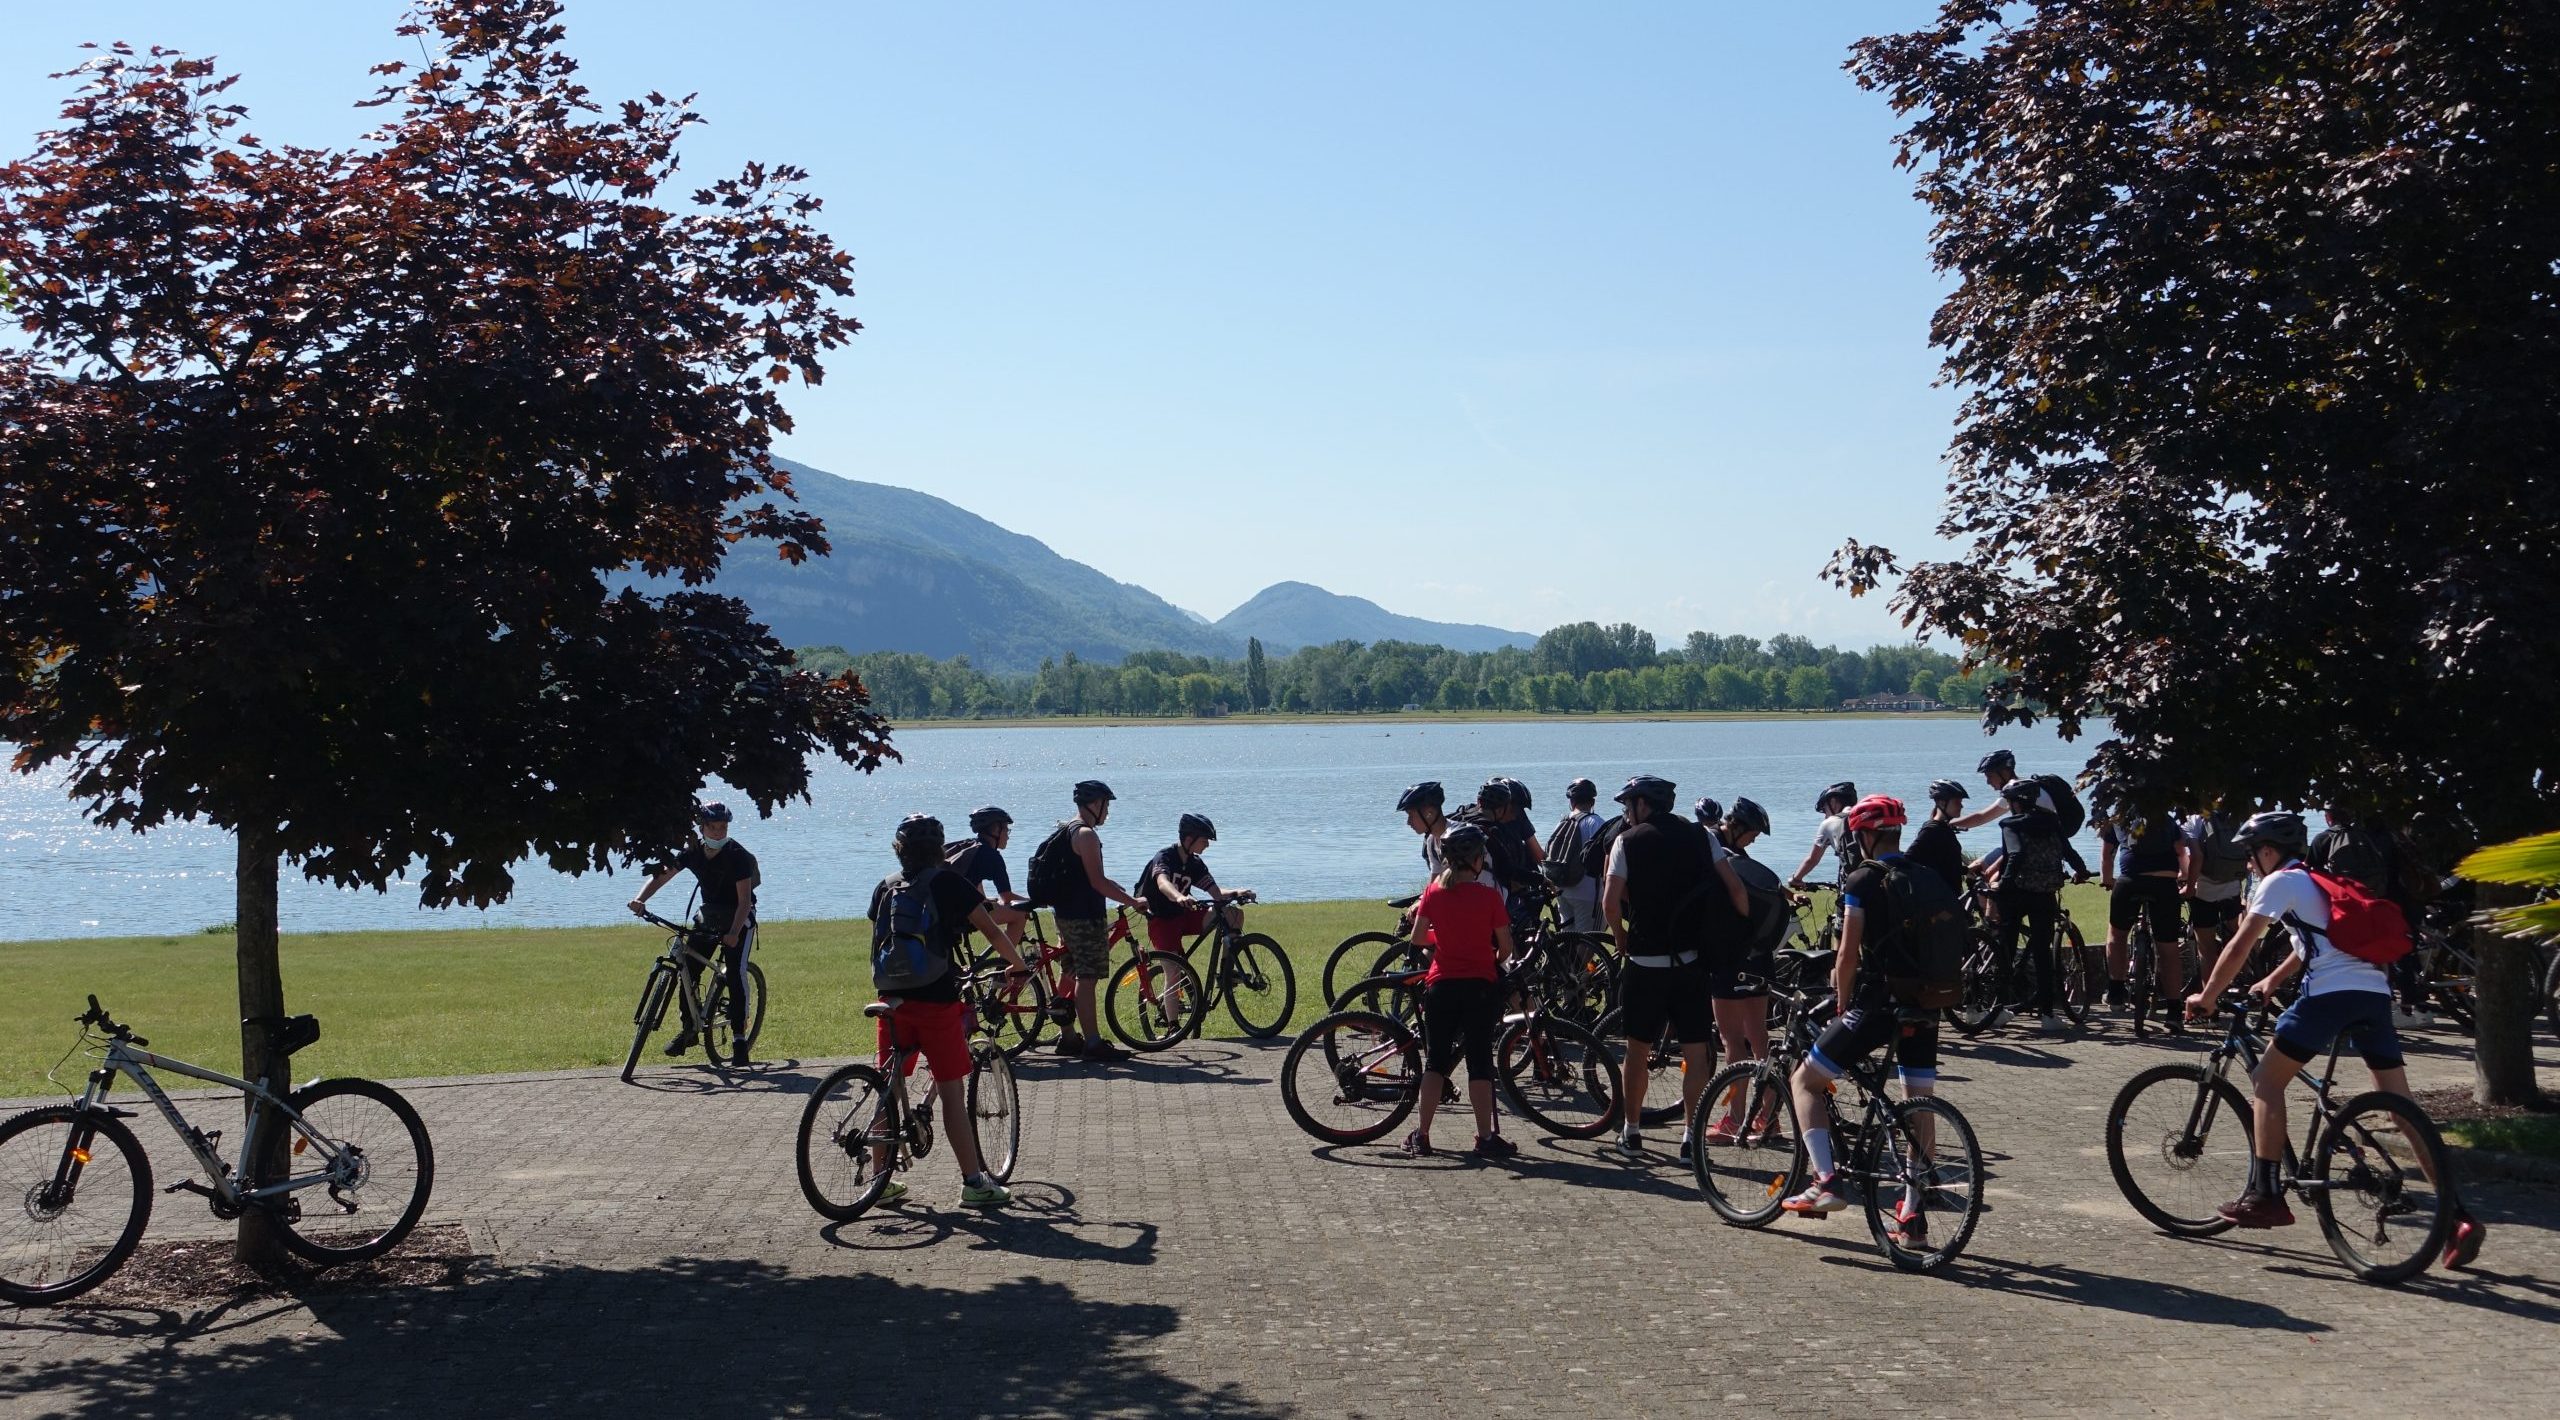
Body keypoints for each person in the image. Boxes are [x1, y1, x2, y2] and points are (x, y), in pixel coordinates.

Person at [2182, 811, 2484, 1264]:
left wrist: (2207, 995)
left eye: (2250, 855)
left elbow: (2240, 943)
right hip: (2372, 994)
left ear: (2268, 850)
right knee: (2403, 1110)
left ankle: (2265, 1196)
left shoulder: (2278, 882)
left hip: (2328, 998)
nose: (2248, 865)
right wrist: (2273, 981)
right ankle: (2457, 1219)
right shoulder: (2318, 879)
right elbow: (2317, 943)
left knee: (2266, 1080)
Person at [1781, 795, 1942, 1242]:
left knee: (1805, 1080)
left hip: (1876, 1005)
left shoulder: (1863, 880)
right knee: (1918, 1103)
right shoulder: (1925, 876)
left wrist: (1842, 1000)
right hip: (1926, 1004)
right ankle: (1912, 1218)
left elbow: (1847, 954)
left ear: (1865, 835)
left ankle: (1825, 1182)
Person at [866, 814, 1032, 1209]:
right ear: (940, 849)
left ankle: (878, 1178)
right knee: (953, 1093)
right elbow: (992, 930)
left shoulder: (886, 886)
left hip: (890, 997)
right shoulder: (947, 883)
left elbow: (880, 935)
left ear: (899, 849)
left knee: (889, 1084)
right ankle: (974, 1183)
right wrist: (1019, 965)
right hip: (936, 1000)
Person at [1601, 774, 1748, 1160]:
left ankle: (1632, 1132)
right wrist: (1738, 940)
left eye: (1628, 805)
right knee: (1695, 1053)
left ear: (1642, 804)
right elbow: (1736, 890)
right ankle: (1690, 1137)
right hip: (1691, 963)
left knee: (1636, 1050)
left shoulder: (1626, 842)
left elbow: (1610, 903)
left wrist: (1620, 938)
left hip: (1645, 963)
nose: (1626, 813)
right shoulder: (1703, 836)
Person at [1402, 825, 1519, 1160]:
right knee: (1479, 1063)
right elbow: (1507, 947)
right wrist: (1487, 956)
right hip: (1481, 988)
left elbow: (1418, 939)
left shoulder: (1434, 893)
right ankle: (1485, 1137)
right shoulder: (1489, 897)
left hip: (1441, 987)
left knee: (1435, 1062)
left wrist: (1446, 940)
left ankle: (1422, 1135)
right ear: (1475, 860)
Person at [627, 801, 761, 1065]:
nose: (720, 832)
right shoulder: (692, 852)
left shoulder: (738, 856)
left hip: (738, 917)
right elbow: (662, 875)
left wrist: (734, 932)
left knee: (735, 971)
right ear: (702, 828)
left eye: (723, 827)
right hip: (709, 915)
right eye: (714, 827)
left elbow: (744, 900)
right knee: (686, 968)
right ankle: (689, 1029)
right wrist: (640, 900)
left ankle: (739, 1040)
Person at [1049, 780, 1151, 1063]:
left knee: (1069, 972)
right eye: (1106, 806)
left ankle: (1068, 1037)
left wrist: (1118, 889)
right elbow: (1096, 882)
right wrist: (1133, 902)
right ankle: (1092, 1042)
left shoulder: (1067, 829)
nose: (1108, 812)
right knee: (1087, 977)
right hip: (1084, 917)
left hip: (1065, 914)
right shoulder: (1087, 836)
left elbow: (1089, 877)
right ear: (1095, 804)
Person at [2308, 811, 2434, 1029]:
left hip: (2361, 905)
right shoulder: (2389, 836)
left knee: (2378, 956)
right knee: (2403, 953)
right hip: (2404, 900)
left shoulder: (2329, 838)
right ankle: (2420, 1008)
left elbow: (2310, 874)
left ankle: (2400, 1009)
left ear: (2330, 816)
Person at [1701, 796, 1780, 1142]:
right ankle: (1771, 1118)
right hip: (1759, 959)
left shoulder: (1713, 853)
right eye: (1753, 835)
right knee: (1758, 1037)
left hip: (1730, 959)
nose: (1754, 841)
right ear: (1736, 827)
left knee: (1732, 1039)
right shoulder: (1738, 860)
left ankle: (1734, 1120)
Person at [1986, 779, 2072, 1032]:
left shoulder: (2010, 824)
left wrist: (2004, 883)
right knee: (2043, 953)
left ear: (2015, 803)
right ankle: (2047, 1014)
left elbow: (2015, 854)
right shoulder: (2051, 821)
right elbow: (2066, 849)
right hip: (2044, 893)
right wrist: (2079, 869)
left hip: (2015, 894)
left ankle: (1999, 1008)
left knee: (2006, 951)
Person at [2102, 802, 2187, 1024]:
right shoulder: (2167, 820)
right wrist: (2185, 877)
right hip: (2165, 884)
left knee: (2117, 934)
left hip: (2131, 881)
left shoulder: (2118, 820)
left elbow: (2106, 856)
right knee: (2168, 947)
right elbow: (2181, 851)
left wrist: (2107, 880)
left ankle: (2116, 991)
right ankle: (2174, 1010)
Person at [1140, 813, 1249, 954]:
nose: (1208, 845)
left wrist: (1236, 893)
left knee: (1233, 915)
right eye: (1204, 840)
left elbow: (1216, 893)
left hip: (1184, 916)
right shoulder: (1165, 857)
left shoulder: (1195, 863)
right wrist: (1179, 896)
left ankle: (1227, 972)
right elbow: (1163, 882)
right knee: (1175, 974)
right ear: (1189, 839)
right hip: (1162, 921)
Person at [2180, 804, 2253, 1004]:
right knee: (2237, 936)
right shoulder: (2235, 816)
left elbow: (2196, 856)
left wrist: (2189, 885)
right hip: (2232, 885)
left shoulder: (2194, 819)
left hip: (2204, 889)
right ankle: (2248, 977)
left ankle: (2209, 1002)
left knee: (2206, 948)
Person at [948, 806, 1032, 935]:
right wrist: (1034, 902)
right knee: (1020, 913)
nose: (1008, 837)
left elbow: (972, 879)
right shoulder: (992, 857)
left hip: (947, 912)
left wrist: (984, 899)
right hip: (964, 916)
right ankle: (1007, 955)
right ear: (996, 830)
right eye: (1006, 830)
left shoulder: (971, 847)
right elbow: (1007, 897)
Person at [1551, 778, 1607, 934]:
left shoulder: (1562, 822)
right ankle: (1581, 960)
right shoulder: (1596, 822)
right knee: (1591, 938)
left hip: (1563, 889)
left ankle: (1565, 960)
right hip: (1589, 892)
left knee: (1568, 937)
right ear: (1593, 801)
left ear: (1571, 801)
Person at [1787, 781, 1861, 890]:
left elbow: (1812, 859)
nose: (1825, 816)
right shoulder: (1866, 818)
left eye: (1825, 809)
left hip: (1854, 885)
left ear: (1834, 802)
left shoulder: (1829, 823)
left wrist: (1796, 879)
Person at [1906, 780, 1971, 891]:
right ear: (1941, 802)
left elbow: (1947, 864)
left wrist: (1967, 870)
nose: (1961, 806)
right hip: (1939, 901)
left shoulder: (1944, 828)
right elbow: (1908, 858)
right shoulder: (1930, 830)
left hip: (1950, 896)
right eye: (1957, 802)